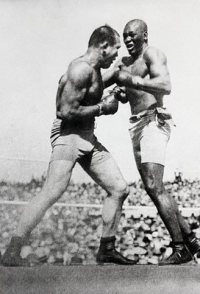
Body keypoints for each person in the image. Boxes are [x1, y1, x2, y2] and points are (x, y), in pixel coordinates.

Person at [2, 25, 138, 266]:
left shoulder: (93, 69)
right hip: (68, 136)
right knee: (51, 192)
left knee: (119, 188)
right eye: (115, 50)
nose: (116, 55)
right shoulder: (79, 69)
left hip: (86, 136)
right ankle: (13, 251)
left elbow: (95, 89)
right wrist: (102, 109)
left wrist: (116, 90)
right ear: (103, 46)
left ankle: (106, 249)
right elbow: (64, 111)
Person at [103, 19, 200, 265]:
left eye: (131, 35)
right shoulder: (125, 62)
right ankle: (190, 239)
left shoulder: (152, 54)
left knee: (154, 185)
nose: (126, 40)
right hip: (136, 125)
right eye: (124, 36)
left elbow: (165, 86)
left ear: (145, 35)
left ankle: (181, 249)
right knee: (152, 185)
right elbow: (128, 95)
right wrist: (118, 92)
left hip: (154, 120)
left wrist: (133, 81)